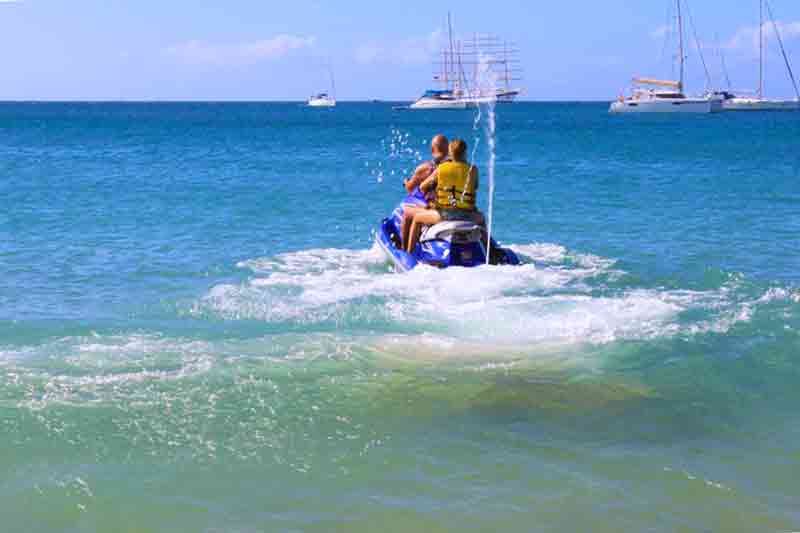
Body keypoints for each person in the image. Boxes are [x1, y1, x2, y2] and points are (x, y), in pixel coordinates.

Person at [405, 139, 481, 254]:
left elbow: (422, 187)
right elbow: (475, 187)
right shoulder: (473, 169)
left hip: (445, 215)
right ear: (465, 153)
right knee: (482, 219)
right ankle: (490, 252)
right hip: (468, 216)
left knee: (416, 219)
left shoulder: (441, 168)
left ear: (450, 153)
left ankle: (409, 254)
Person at [399, 134, 449, 249]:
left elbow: (411, 188)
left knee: (407, 212)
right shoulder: (454, 166)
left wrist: (406, 182)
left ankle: (404, 251)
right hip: (454, 209)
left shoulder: (427, 168)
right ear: (448, 149)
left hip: (436, 210)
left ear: (432, 150)